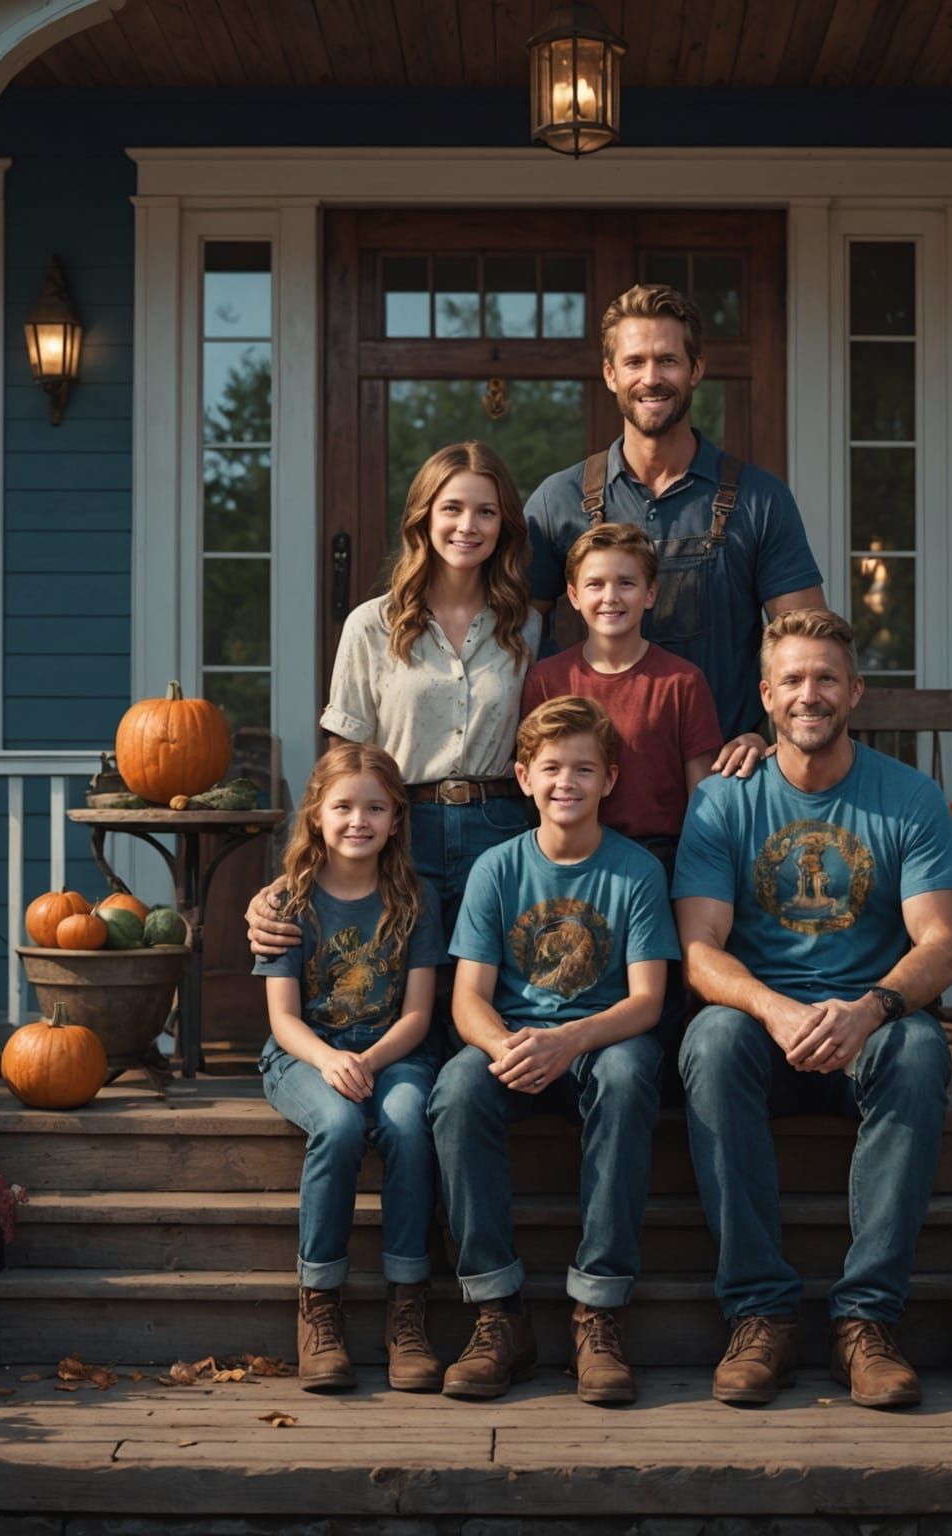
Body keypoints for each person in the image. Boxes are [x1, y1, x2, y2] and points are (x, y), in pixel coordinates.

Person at [672, 609, 952, 1409]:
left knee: (920, 1050)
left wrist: (869, 1011)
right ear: (767, 696)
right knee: (711, 1039)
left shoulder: (909, 797)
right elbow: (699, 950)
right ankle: (759, 1314)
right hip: (763, 1033)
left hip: (867, 1032)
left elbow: (941, 944)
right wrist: (773, 1010)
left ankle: (866, 1321)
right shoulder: (723, 802)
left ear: (856, 691)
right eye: (793, 679)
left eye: (827, 678)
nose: (811, 694)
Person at [428, 696, 681, 1404]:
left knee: (628, 1078)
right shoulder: (496, 869)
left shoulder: (636, 872)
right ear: (523, 778)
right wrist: (511, 1048)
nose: (566, 781)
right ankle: (497, 1314)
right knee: (456, 1089)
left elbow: (647, 1002)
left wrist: (568, 1040)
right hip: (514, 1039)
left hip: (603, 1041)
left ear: (610, 780)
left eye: (583, 769)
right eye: (550, 768)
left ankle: (597, 1311)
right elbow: (467, 1000)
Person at [247, 439, 541, 955]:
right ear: (423, 518)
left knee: (487, 983)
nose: (468, 525)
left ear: (504, 525)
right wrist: (299, 868)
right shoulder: (371, 625)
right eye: (452, 508)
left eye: (486, 512)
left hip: (500, 827)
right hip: (400, 828)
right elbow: (343, 761)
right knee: (395, 979)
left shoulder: (526, 628)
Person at [524, 283, 827, 747]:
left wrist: (770, 743)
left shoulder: (759, 498)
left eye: (667, 360)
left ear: (695, 370)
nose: (651, 378)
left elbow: (809, 648)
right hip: (588, 776)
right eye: (634, 362)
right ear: (610, 374)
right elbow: (513, 636)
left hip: (727, 770)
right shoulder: (558, 500)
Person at [253, 742, 449, 1393]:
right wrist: (331, 1058)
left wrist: (366, 1059)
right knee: (338, 1126)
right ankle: (319, 1305)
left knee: (408, 1124)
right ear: (316, 814)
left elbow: (418, 1015)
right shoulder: (289, 902)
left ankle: (407, 1309)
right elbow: (283, 1019)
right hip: (303, 1055)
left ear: (396, 818)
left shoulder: (416, 899)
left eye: (375, 808)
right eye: (342, 807)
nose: (357, 821)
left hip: (394, 1053)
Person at [519, 521, 762, 877]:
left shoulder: (681, 682)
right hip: (568, 860)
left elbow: (703, 799)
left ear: (650, 594)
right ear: (573, 595)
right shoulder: (546, 679)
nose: (611, 597)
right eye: (595, 584)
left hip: (660, 859)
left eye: (626, 583)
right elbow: (532, 787)